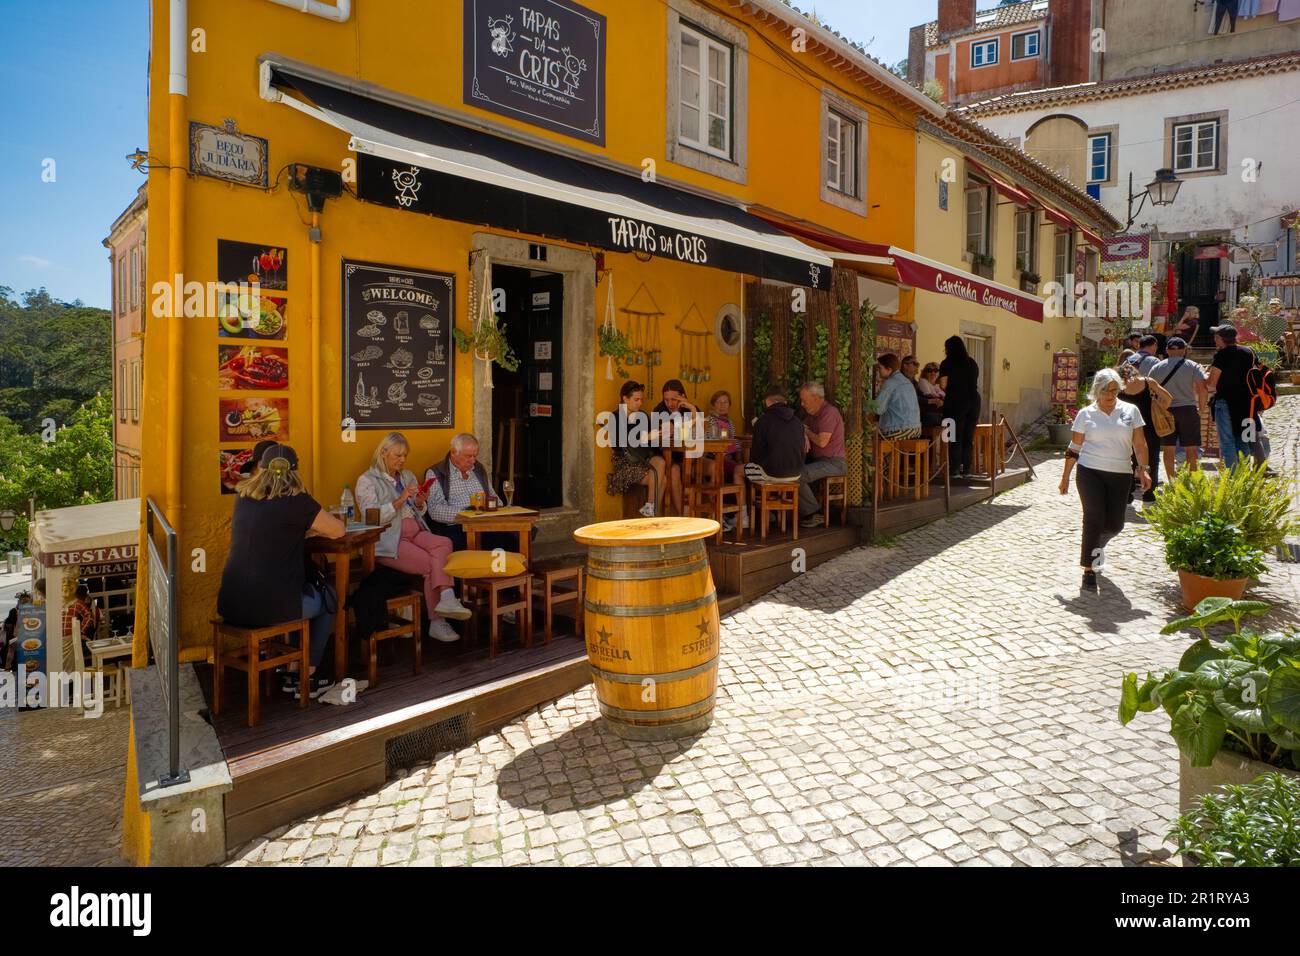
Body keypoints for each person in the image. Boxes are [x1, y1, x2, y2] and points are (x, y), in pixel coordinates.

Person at [218, 443, 346, 699]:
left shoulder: (243, 497)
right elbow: (338, 530)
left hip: (231, 604)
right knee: (328, 598)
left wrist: (298, 530)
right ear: (294, 472)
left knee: (298, 595)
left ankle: (292, 666)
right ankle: (306, 675)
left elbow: (272, 529)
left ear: (261, 469)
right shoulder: (295, 500)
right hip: (271, 607)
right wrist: (309, 529)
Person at [357, 432, 469, 645]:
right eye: (397, 455)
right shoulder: (367, 480)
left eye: (405, 456)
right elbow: (371, 517)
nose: (402, 460)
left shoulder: (406, 475)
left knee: (445, 543)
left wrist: (419, 502)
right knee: (431, 565)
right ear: (383, 453)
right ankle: (437, 621)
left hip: (415, 531)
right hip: (389, 540)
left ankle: (446, 598)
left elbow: (418, 510)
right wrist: (400, 500)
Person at [1059, 369, 1153, 593]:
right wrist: (1065, 478)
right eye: (1105, 391)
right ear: (1096, 391)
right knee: (1093, 518)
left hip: (1120, 473)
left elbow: (1139, 444)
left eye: (1114, 390)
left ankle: (1098, 545)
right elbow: (1074, 448)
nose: (1111, 395)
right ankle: (1089, 570)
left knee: (1114, 525)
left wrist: (1144, 470)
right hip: (1090, 471)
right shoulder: (1086, 414)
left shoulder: (1131, 411)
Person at [423, 433, 524, 555]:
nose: (473, 460)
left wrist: (489, 507)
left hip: (485, 523)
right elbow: (435, 510)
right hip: (458, 526)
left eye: (475, 456)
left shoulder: (478, 468)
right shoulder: (436, 472)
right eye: (468, 456)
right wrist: (468, 514)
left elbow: (495, 498)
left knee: (516, 537)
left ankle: (508, 572)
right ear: (454, 452)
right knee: (474, 546)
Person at [606, 379, 675, 517]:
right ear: (625, 398)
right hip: (625, 463)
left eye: (641, 399)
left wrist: (662, 433)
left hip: (643, 460)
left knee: (660, 463)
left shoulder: (642, 415)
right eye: (636, 399)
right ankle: (654, 514)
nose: (640, 403)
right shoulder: (615, 417)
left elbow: (651, 442)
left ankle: (650, 509)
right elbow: (620, 443)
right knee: (662, 479)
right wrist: (645, 437)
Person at [1148, 337, 1209, 479]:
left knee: (1168, 448)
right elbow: (1202, 389)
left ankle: (1172, 481)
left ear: (1167, 350)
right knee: (1191, 448)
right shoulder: (1193, 365)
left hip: (1165, 411)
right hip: (1188, 409)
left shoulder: (1157, 367)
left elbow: (1150, 390)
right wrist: (1201, 408)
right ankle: (1193, 482)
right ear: (1184, 350)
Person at [1117, 363, 1172, 501]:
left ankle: (1128, 493)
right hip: (1149, 426)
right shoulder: (1148, 382)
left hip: (1126, 426)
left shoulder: (1119, 386)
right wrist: (1159, 410)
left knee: (1127, 458)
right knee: (1152, 459)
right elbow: (1168, 398)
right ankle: (1149, 493)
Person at [1206, 323, 1258, 467]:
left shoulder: (1222, 355)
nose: (1214, 339)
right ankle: (1245, 479)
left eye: (1216, 336)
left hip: (1226, 403)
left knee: (1227, 442)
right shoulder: (1249, 351)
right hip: (1248, 404)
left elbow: (1211, 383)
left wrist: (1204, 378)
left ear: (1221, 338)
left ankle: (1233, 480)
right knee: (1244, 441)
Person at [797, 381, 845, 529]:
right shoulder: (811, 415)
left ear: (816, 398)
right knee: (788, 470)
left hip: (834, 463)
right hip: (819, 461)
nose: (802, 404)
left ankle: (814, 514)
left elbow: (822, 442)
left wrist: (806, 431)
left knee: (797, 474)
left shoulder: (829, 412)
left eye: (804, 400)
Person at [652, 379, 699, 515]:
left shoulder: (689, 408)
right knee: (674, 470)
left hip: (690, 457)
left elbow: (699, 432)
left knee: (712, 467)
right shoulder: (659, 410)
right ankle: (683, 516)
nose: (670, 403)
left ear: (682, 396)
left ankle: (710, 517)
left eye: (674, 399)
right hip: (669, 456)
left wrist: (693, 409)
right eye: (666, 400)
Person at [745, 384, 807, 484]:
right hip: (796, 473)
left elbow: (756, 454)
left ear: (767, 401)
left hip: (770, 473)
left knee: (738, 471)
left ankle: (746, 500)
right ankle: (777, 498)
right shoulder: (797, 421)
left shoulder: (763, 421)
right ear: (785, 402)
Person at [938, 336, 980, 478]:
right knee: (968, 436)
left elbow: (943, 385)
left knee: (954, 435)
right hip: (974, 401)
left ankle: (954, 469)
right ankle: (966, 469)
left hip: (956, 401)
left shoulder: (947, 363)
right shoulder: (972, 363)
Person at [870, 354, 922, 440]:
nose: (878, 371)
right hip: (916, 429)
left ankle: (887, 454)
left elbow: (878, 409)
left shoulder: (890, 382)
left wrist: (867, 403)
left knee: (872, 440)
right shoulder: (907, 381)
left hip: (899, 429)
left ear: (889, 369)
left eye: (880, 368)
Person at [705, 389, 742, 484]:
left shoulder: (729, 422)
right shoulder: (710, 420)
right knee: (740, 470)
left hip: (730, 457)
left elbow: (734, 441)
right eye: (718, 402)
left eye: (725, 402)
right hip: (716, 458)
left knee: (744, 466)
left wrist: (739, 458)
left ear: (729, 405)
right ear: (713, 405)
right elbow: (711, 445)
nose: (722, 405)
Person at [62, 584, 101, 658]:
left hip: (73, 635)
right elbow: (94, 618)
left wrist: (80, 631)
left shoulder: (75, 603)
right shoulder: (86, 603)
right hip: (82, 633)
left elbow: (90, 617)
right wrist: (81, 631)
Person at [916, 362, 946, 427]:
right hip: (929, 414)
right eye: (929, 371)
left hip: (938, 413)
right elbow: (929, 397)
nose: (933, 373)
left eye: (935, 371)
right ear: (925, 373)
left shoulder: (938, 386)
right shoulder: (923, 382)